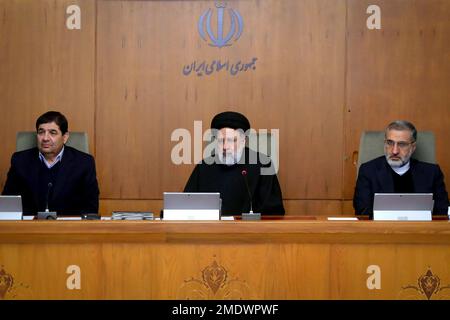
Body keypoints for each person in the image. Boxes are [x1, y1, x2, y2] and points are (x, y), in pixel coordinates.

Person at [184, 111, 285, 216]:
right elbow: (186, 206)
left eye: (231, 140)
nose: (225, 147)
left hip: (250, 230)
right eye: (220, 141)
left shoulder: (263, 165)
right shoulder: (204, 167)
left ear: (243, 141)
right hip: (211, 229)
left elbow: (273, 213)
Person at [2, 111, 99, 215]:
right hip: (29, 227)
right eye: (41, 132)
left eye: (52, 133)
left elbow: (91, 208)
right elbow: (8, 205)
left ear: (65, 137)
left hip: (68, 228)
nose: (45, 138)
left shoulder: (84, 163)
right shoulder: (19, 161)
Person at [353, 120, 449, 217]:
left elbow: (442, 213)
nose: (394, 151)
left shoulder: (432, 173)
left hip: (421, 230)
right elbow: (363, 212)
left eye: (402, 144)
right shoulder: (368, 171)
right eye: (390, 143)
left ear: (413, 147)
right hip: (381, 230)